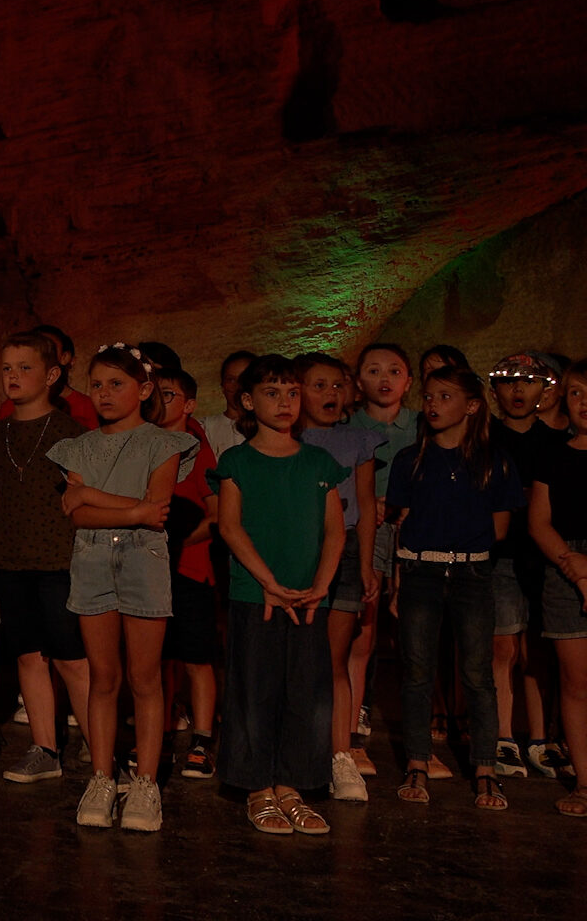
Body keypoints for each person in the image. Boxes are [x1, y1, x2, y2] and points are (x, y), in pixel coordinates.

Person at [50, 343, 199, 832]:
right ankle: (101, 775)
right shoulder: (77, 447)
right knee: (103, 676)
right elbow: (78, 513)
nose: (105, 393)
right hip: (91, 561)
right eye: (97, 384)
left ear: (144, 388)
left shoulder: (163, 443)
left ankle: (146, 784)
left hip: (143, 562)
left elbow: (158, 507)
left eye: (117, 383)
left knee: (145, 677)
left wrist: (98, 496)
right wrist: (128, 509)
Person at [211, 355, 347, 834]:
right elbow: (229, 526)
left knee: (306, 691)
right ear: (248, 400)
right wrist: (268, 581)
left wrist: (321, 586)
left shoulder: (319, 462)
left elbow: (335, 532)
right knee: (254, 688)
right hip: (258, 594)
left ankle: (293, 784)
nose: (285, 402)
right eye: (272, 393)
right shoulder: (237, 461)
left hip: (310, 596)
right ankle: (257, 786)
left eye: (292, 392)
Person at [388, 366, 522, 810]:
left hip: (472, 574)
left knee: (477, 675)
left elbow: (500, 528)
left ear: (471, 405)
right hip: (421, 572)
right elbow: (400, 522)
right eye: (428, 396)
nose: (432, 404)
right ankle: (417, 763)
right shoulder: (411, 459)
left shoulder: (495, 461)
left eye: (445, 397)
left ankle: (486, 769)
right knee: (418, 671)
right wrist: (397, 580)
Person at [0, 331, 91, 786]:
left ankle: (99, 744)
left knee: (72, 659)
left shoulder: (71, 433)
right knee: (29, 656)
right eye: (7, 368)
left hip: (59, 561)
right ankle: (44, 748)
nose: (13, 376)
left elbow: (83, 498)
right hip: (12, 560)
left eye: (24, 368)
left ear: (51, 375)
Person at [290, 354, 381, 799]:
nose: (330, 394)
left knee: (334, 657)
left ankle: (340, 755)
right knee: (294, 654)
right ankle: (296, 751)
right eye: (318, 385)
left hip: (343, 551)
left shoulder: (357, 441)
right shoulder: (285, 440)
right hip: (298, 552)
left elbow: (364, 506)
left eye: (336, 386)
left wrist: (365, 564)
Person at [487, 352, 564, 777]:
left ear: (544, 389)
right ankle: (501, 736)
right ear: (494, 389)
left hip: (542, 556)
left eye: (528, 381)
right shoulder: (484, 438)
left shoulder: (555, 443)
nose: (518, 390)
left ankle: (540, 738)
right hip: (498, 553)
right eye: (508, 381)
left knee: (538, 648)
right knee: (502, 647)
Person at [348, 342, 417, 754]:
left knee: (413, 626)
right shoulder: (349, 425)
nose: (384, 378)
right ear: (358, 382)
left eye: (394, 370)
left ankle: (417, 729)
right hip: (367, 529)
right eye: (373, 371)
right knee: (364, 624)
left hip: (414, 531)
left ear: (408, 381)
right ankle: (355, 714)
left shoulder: (420, 424)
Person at [526, 360, 587, 815]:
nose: (584, 403)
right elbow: (539, 522)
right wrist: (577, 569)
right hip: (566, 566)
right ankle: (585, 783)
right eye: (576, 393)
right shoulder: (553, 454)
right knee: (575, 682)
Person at [153, 367, 220, 780]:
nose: (161, 403)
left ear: (189, 404)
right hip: (153, 569)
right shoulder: (146, 444)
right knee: (158, 658)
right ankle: (156, 735)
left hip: (190, 569)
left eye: (170, 395)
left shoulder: (198, 449)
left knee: (197, 657)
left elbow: (216, 516)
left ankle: (202, 739)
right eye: (155, 394)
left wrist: (176, 544)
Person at [198, 351, 257, 460]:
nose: (238, 386)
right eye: (231, 380)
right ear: (223, 386)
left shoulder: (270, 427)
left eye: (244, 378)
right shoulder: (205, 428)